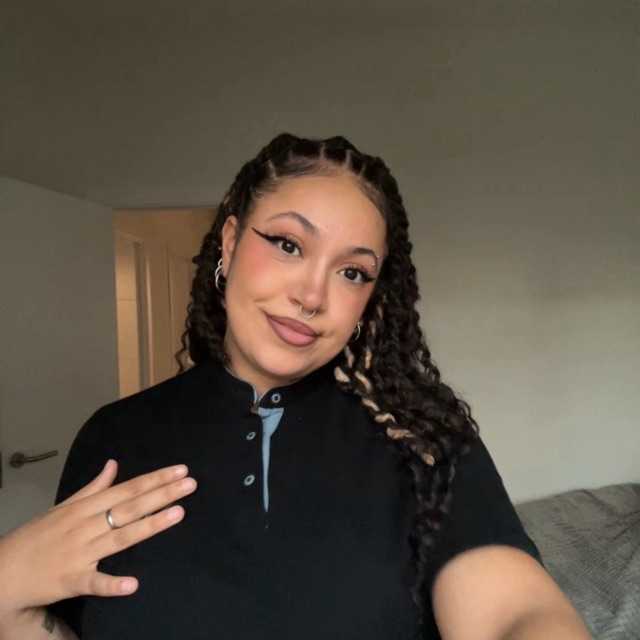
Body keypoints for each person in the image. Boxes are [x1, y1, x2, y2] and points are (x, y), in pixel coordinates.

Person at [0, 133, 591, 639]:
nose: (312, 295)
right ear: (230, 242)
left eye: (352, 272)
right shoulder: (115, 435)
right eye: (288, 245)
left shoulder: (422, 440)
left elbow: (514, 612)